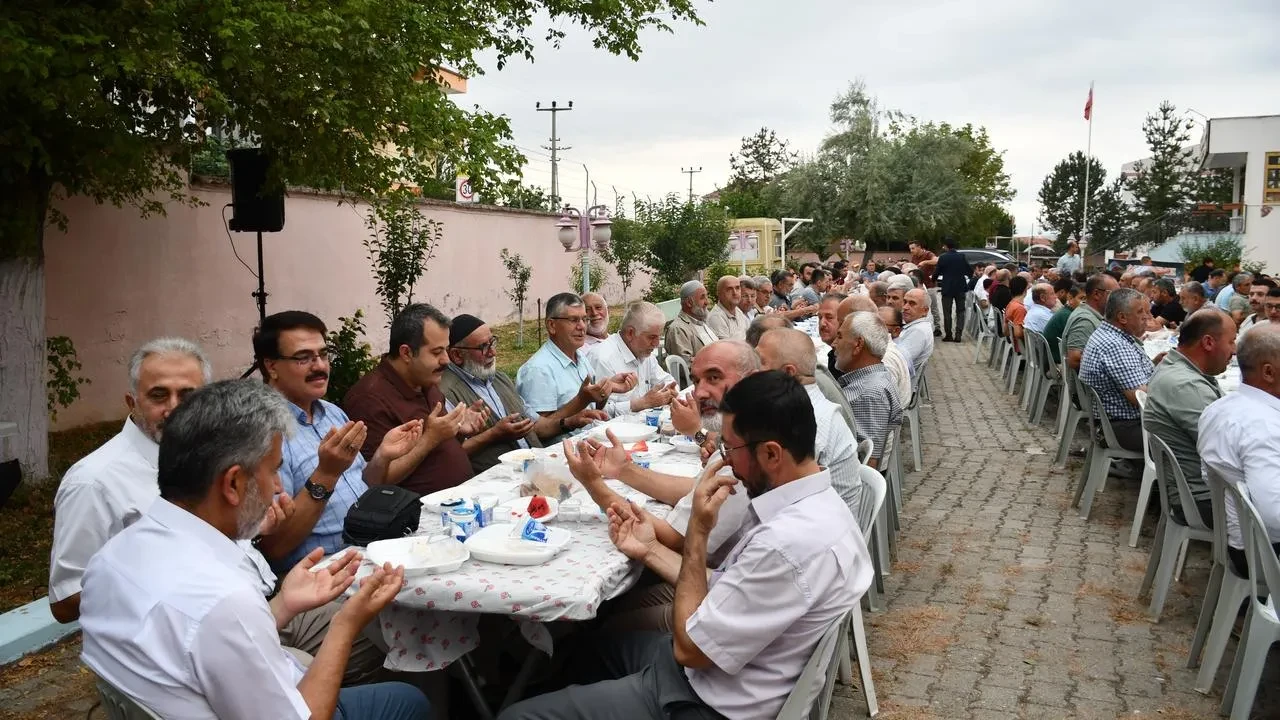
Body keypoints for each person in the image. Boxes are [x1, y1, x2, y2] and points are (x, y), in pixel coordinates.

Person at [498, 371, 870, 720]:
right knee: (583, 650)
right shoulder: (823, 508)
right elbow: (729, 587)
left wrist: (698, 532)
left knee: (514, 716)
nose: (726, 462)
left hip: (704, 701)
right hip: (729, 672)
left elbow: (689, 650)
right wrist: (648, 550)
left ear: (772, 453)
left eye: (730, 448)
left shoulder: (786, 543)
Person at [79, 379, 429, 720]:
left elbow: (196, 646)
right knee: (408, 700)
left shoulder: (110, 556)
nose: (278, 486)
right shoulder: (222, 598)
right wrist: (346, 623)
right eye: (274, 470)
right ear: (233, 483)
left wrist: (284, 604)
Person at [49, 337, 389, 682]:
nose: (175, 408)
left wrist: (255, 530)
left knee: (387, 628)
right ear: (131, 402)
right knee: (377, 666)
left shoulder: (210, 455)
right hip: (208, 636)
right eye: (158, 395)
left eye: (188, 396)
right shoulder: (94, 481)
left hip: (266, 603)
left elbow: (213, 541)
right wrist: (166, 577)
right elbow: (65, 603)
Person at [252, 311, 424, 571]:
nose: (320, 366)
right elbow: (273, 546)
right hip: (321, 573)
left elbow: (361, 485)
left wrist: (382, 457)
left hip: (370, 550)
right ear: (271, 366)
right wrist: (326, 474)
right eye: (303, 358)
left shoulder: (330, 412)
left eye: (323, 354)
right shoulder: (263, 431)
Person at [344, 303, 485, 495]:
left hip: (463, 500)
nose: (446, 360)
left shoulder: (426, 379)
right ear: (406, 353)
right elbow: (374, 480)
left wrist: (457, 430)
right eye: (436, 352)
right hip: (420, 517)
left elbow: (440, 447)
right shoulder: (369, 399)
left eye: (446, 349)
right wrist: (431, 438)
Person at [440, 314, 607, 474]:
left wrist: (570, 422)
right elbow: (449, 457)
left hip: (535, 468)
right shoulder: (445, 392)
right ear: (457, 355)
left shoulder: (498, 379)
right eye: (483, 347)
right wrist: (493, 435)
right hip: (495, 482)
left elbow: (536, 425)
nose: (493, 352)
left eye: (493, 343)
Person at [756, 328, 865, 521]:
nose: (752, 370)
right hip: (821, 524)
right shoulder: (808, 402)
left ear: (788, 372)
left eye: (760, 362)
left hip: (820, 534)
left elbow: (763, 493)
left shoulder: (800, 419)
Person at [1198, 323, 1280, 576]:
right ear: (1268, 372)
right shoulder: (1264, 427)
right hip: (1262, 553)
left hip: (1237, 539)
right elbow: (1275, 515)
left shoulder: (1220, 407)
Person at [1144, 309, 1236, 525]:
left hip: (1197, 491)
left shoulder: (1175, 366)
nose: (1234, 349)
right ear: (1208, 342)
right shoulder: (1186, 386)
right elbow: (1231, 452)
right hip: (1204, 499)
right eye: (1231, 341)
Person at [519, 293, 632, 426]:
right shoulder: (538, 369)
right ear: (552, 326)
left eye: (584, 319)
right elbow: (537, 430)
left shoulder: (580, 356)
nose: (582, 326)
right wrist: (581, 401)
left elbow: (594, 409)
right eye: (573, 320)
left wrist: (606, 389)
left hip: (592, 438)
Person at [1078, 289, 1156, 452]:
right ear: (1122, 317)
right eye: (1140, 312)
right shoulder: (1116, 346)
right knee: (1189, 440)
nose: (1146, 317)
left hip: (1116, 422)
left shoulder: (1109, 334)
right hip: (1124, 427)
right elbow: (1141, 399)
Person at [833, 312, 904, 468]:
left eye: (839, 337)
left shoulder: (870, 394)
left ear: (858, 345)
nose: (834, 343)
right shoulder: (874, 377)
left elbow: (868, 463)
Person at [586, 302, 679, 415]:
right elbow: (595, 412)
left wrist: (670, 391)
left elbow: (666, 380)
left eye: (659, 337)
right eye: (652, 337)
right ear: (630, 333)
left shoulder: (644, 353)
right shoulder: (602, 358)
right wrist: (641, 403)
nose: (656, 343)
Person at [1062, 273, 1119, 370]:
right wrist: (1118, 365)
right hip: (1092, 384)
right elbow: (1074, 360)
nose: (1118, 299)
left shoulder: (1091, 315)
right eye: (1114, 294)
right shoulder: (1085, 320)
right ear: (1096, 294)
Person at [665, 281, 720, 363]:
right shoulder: (678, 329)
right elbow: (683, 365)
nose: (707, 302)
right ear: (689, 302)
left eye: (706, 296)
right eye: (702, 298)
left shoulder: (703, 321)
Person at [933, 237, 971, 342]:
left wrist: (933, 279)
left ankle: (948, 335)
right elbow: (969, 270)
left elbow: (937, 271)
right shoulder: (961, 256)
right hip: (960, 287)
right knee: (960, 311)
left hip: (947, 287)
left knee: (947, 312)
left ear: (945, 246)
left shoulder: (943, 257)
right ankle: (958, 334)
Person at [1043, 283, 1085, 364]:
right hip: (1057, 362)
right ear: (1070, 298)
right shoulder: (1068, 316)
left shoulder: (1066, 312)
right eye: (1082, 298)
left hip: (1052, 359)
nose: (1085, 303)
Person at [897, 288, 935, 376]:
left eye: (912, 303)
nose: (905, 307)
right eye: (905, 302)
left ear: (925, 311)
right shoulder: (916, 326)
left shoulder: (918, 332)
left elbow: (898, 363)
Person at [908, 240, 942, 336]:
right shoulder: (914, 257)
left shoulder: (928, 254)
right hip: (919, 286)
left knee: (933, 306)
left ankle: (937, 327)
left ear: (919, 247)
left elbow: (937, 260)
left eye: (913, 248)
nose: (911, 250)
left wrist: (925, 262)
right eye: (910, 249)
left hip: (930, 285)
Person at [706, 275, 749, 340]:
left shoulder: (738, 311)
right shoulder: (716, 317)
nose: (735, 293)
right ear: (719, 293)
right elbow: (726, 348)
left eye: (737, 288)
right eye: (729, 289)